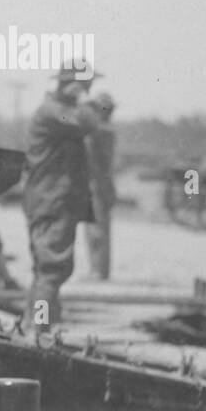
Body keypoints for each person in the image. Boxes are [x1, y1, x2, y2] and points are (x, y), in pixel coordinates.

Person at [22, 59, 104, 336]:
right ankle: (39, 327)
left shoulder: (57, 111)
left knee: (45, 268)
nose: (89, 91)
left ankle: (35, 324)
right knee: (51, 268)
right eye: (86, 86)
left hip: (50, 200)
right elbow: (89, 121)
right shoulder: (55, 113)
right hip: (53, 201)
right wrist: (85, 99)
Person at [83, 92, 117, 279]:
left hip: (96, 184)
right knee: (100, 229)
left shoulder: (98, 133)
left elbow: (95, 163)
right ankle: (99, 270)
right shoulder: (106, 131)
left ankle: (98, 271)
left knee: (96, 230)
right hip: (101, 184)